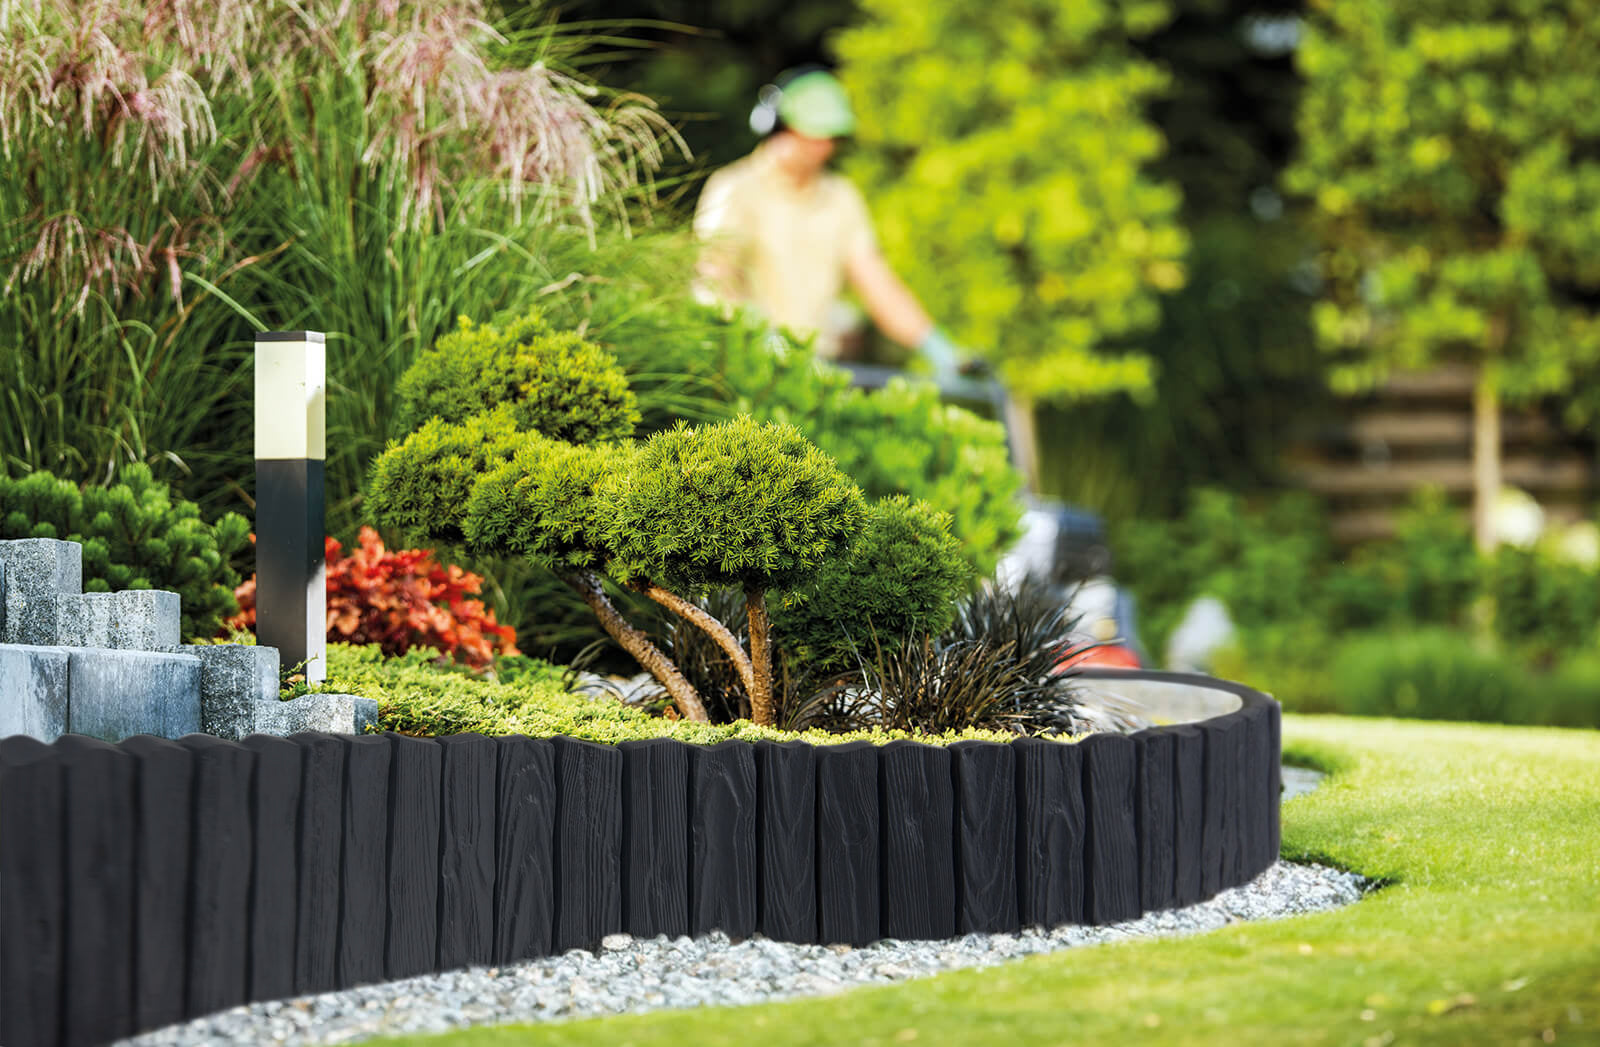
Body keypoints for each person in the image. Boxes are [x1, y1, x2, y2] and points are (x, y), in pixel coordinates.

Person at [692, 67, 965, 376]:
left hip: (816, 368)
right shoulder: (735, 190)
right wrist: (749, 336)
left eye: (830, 138)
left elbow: (877, 284)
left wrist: (934, 345)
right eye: (811, 136)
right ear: (777, 126)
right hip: (744, 368)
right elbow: (712, 281)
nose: (822, 149)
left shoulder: (841, 198)